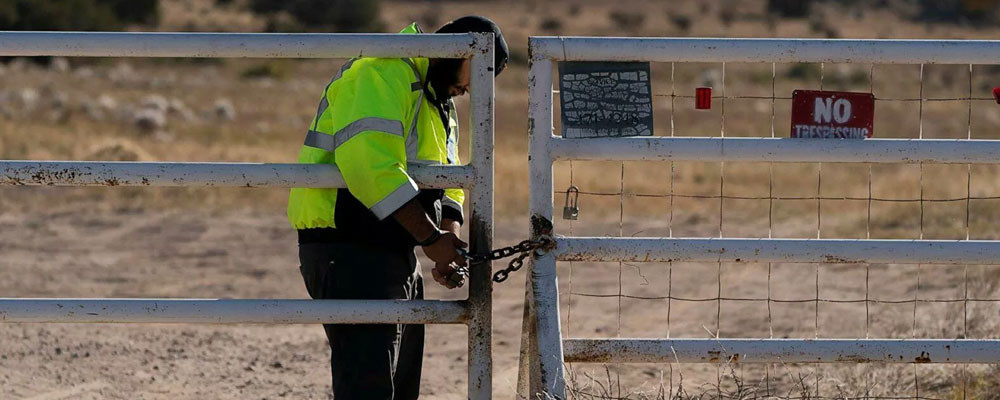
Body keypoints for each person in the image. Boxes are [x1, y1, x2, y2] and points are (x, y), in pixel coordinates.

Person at [286, 16, 508, 399]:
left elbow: (450, 177)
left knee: (399, 387)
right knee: (369, 386)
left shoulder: (437, 97)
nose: (470, 88)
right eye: (475, 71)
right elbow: (370, 168)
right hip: (349, 248)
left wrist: (446, 240)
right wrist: (430, 237)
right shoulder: (383, 71)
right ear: (453, 51)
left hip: (392, 250)